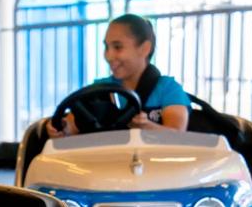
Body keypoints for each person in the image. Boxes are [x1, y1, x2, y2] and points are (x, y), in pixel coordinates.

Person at [50, 14, 191, 137]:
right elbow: (71, 125)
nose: (109, 56)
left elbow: (177, 135)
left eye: (118, 47)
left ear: (144, 49)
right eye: (106, 47)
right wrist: (61, 128)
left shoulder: (167, 89)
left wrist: (147, 127)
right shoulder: (100, 90)